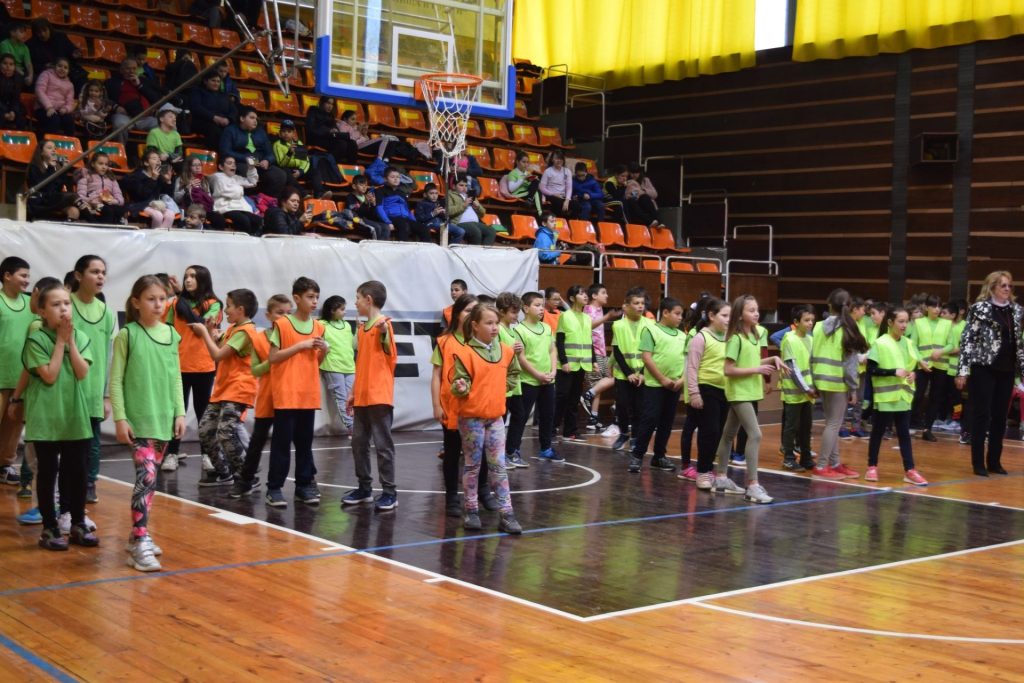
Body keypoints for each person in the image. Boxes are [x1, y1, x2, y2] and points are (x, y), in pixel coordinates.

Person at [111, 275, 187, 572]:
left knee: (150, 481)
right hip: (138, 421)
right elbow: (116, 380)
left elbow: (176, 377)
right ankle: (140, 541)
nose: (158, 304)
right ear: (136, 302)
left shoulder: (171, 334)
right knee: (146, 478)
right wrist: (120, 417)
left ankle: (137, 534)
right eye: (151, 299)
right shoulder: (127, 335)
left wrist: (180, 413)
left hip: (163, 419)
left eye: (162, 299)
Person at [22, 280, 96, 551]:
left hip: (74, 414)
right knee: (48, 471)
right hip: (46, 416)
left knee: (77, 471)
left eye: (66, 303)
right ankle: (50, 527)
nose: (63, 309)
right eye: (56, 304)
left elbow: (81, 372)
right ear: (42, 311)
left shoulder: (82, 337)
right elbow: (50, 375)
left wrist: (70, 341)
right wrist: (61, 342)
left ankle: (77, 523)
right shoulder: (36, 339)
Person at [450, 304, 523, 534]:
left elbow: (514, 373)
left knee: (499, 466)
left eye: (496, 323)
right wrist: (461, 387)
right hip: (471, 419)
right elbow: (458, 383)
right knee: (473, 466)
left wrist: (502, 388)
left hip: (495, 417)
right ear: (475, 325)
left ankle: (507, 514)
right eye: (489, 323)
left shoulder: (506, 351)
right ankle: (471, 510)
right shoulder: (465, 353)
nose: (494, 327)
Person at [711, 295, 786, 503]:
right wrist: (757, 370)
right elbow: (728, 369)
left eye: (757, 310)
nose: (756, 314)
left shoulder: (754, 335)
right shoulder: (735, 338)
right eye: (751, 310)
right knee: (755, 435)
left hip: (749, 391)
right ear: (740, 314)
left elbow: (752, 361)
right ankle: (752, 485)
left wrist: (772, 358)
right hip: (739, 393)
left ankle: (721, 478)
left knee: (728, 435)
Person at [431, 293, 497, 517]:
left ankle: (483, 491)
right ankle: (452, 497)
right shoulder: (444, 341)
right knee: (452, 452)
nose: (471, 315)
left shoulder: (482, 342)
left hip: (477, 407)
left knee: (481, 451)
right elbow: (436, 375)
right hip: (452, 407)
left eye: (474, 311)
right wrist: (436, 405)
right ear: (457, 313)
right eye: (467, 310)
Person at [265, 277, 327, 508]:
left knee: (304, 444)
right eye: (310, 297)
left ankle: (303, 486)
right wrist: (300, 346)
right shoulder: (282, 324)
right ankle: (274, 488)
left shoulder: (319, 327)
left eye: (317, 297)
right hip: (287, 393)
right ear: (297, 298)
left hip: (308, 394)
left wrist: (325, 350)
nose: (315, 301)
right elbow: (273, 357)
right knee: (282, 445)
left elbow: (317, 361)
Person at [188, 289, 260, 486]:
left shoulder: (245, 331)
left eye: (228, 306)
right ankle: (224, 471)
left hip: (238, 389)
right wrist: (212, 333)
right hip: (223, 389)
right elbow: (220, 348)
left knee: (226, 432)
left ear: (240, 309)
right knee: (205, 430)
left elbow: (217, 355)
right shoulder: (234, 329)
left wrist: (204, 333)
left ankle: (247, 476)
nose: (225, 310)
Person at [956, 270, 1024, 476]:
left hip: (1007, 369)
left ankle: (994, 461)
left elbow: (1019, 343)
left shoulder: (1016, 310)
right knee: (982, 415)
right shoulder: (980, 309)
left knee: (1000, 416)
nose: (1007, 289)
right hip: (983, 368)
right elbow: (967, 340)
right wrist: (962, 371)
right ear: (992, 286)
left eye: (1009, 285)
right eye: (1003, 285)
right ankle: (978, 463)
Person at [342, 280, 398, 511]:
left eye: (357, 298)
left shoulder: (384, 325)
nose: (355, 302)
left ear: (368, 299)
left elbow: (387, 343)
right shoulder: (363, 329)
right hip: (363, 397)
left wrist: (383, 330)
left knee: (383, 446)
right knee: (359, 443)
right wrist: (353, 392)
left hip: (379, 396)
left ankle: (390, 492)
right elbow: (361, 365)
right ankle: (364, 488)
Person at [161, 266, 223, 473]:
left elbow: (199, 326)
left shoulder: (214, 304)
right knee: (176, 411)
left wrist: (180, 296)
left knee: (203, 412)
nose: (188, 280)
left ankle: (207, 455)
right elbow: (166, 329)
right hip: (178, 365)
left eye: (193, 277)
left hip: (204, 366)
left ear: (203, 279)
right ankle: (172, 453)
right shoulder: (174, 304)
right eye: (186, 276)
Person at [230, 294, 291, 498]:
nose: (284, 317)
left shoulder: (294, 337)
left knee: (284, 443)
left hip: (289, 397)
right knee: (257, 440)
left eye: (288, 313)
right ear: (268, 315)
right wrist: (273, 360)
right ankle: (246, 480)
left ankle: (281, 486)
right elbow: (255, 370)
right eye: (279, 313)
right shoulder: (258, 338)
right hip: (267, 395)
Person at [70, 256, 116, 505]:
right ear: (78, 276)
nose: (100, 277)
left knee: (93, 442)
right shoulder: (66, 305)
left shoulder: (107, 312)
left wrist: (106, 394)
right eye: (94, 271)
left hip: (94, 390)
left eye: (103, 272)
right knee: (67, 443)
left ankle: (89, 483)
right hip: (67, 388)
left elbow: (108, 355)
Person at [865, 306, 929, 486]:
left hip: (903, 395)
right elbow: (871, 370)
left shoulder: (908, 343)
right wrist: (893, 372)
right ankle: (872, 466)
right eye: (901, 321)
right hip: (885, 397)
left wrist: (913, 373)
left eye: (906, 321)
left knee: (904, 434)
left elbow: (912, 366)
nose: (904, 325)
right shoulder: (880, 343)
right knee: (878, 432)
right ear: (890, 322)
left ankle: (910, 470)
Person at [810, 288, 868, 480]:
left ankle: (834, 463)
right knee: (833, 425)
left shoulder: (818, 326)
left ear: (829, 305)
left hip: (821, 379)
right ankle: (821, 466)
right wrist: (853, 388)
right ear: (849, 306)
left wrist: (813, 381)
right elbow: (850, 365)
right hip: (838, 382)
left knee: (831, 424)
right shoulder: (849, 328)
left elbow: (811, 356)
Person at [629, 297, 686, 474]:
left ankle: (659, 456)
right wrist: (662, 379)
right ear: (666, 313)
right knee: (649, 419)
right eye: (677, 314)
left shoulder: (682, 335)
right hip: (655, 385)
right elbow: (647, 358)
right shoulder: (651, 330)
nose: (680, 318)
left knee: (667, 422)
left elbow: (688, 360)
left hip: (674, 385)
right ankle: (638, 455)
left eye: (681, 315)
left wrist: (682, 379)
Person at [509, 291, 559, 463]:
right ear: (525, 308)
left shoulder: (547, 328)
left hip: (548, 380)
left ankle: (546, 448)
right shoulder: (519, 330)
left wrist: (553, 371)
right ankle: (512, 450)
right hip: (528, 381)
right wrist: (537, 375)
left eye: (542, 305)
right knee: (520, 417)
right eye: (537, 305)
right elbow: (521, 357)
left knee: (547, 415)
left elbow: (552, 350)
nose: (541, 309)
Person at [0, 257, 32, 485]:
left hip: (21, 378)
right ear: (7, 276)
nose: (27, 280)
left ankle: (4, 465)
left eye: (28, 276)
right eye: (23, 275)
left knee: (13, 427)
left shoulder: (31, 304)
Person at [609, 287, 651, 452]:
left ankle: (635, 437)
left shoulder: (650, 324)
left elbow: (652, 352)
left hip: (642, 374)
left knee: (639, 407)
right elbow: (617, 351)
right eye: (636, 303)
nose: (640, 306)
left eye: (642, 303)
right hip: (623, 373)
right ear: (627, 305)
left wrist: (642, 373)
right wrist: (628, 373)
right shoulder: (618, 325)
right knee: (622, 405)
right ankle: (623, 433)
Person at [220, 106, 288, 200]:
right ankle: (247, 200)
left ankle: (267, 201)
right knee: (245, 173)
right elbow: (225, 152)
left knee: (279, 175)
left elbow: (270, 153)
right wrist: (246, 158)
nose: (255, 121)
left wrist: (267, 160)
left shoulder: (260, 132)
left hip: (259, 163)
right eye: (252, 118)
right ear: (242, 118)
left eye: (256, 118)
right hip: (241, 163)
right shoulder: (230, 131)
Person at [909, 295, 953, 441]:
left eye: (939, 306)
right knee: (917, 395)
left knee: (935, 397)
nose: (937, 309)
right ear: (926, 307)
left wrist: (942, 351)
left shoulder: (947, 324)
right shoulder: (919, 322)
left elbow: (951, 344)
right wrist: (920, 360)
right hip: (923, 364)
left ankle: (927, 429)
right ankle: (909, 423)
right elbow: (913, 344)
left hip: (940, 365)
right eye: (934, 306)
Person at [552, 284, 592, 444]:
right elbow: (560, 340)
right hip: (567, 365)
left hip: (582, 365)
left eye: (586, 293)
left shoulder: (587, 318)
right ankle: (551, 429)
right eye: (581, 293)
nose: (585, 296)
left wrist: (593, 361)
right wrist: (564, 361)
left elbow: (588, 340)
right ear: (572, 298)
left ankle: (570, 431)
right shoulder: (565, 316)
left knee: (574, 399)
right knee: (561, 397)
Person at [779, 305, 817, 471]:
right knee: (791, 427)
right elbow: (792, 369)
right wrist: (806, 389)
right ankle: (788, 458)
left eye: (812, 320)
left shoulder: (811, 339)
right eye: (806, 320)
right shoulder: (789, 339)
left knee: (806, 427)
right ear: (796, 322)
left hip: (807, 393)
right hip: (794, 392)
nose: (810, 323)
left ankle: (806, 457)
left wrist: (814, 386)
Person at [581, 283, 620, 432]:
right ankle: (587, 396)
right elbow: (588, 326)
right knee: (610, 379)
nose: (607, 295)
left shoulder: (599, 309)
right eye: (603, 292)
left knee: (599, 385)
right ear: (594, 295)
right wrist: (607, 317)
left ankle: (593, 418)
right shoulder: (588, 309)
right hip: (593, 352)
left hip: (602, 352)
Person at [496, 292, 526, 468]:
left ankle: (511, 451)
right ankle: (499, 455)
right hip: (502, 382)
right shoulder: (498, 329)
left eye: (517, 312)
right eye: (513, 312)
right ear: (501, 311)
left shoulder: (512, 330)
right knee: (500, 419)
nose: (516, 316)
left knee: (520, 415)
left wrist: (518, 350)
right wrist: (511, 350)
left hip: (514, 382)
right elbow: (496, 353)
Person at [320, 295, 355, 436]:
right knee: (341, 399)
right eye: (342, 309)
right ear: (332, 310)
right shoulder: (321, 324)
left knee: (352, 399)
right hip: (332, 366)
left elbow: (353, 345)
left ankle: (356, 428)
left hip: (349, 366)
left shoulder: (347, 325)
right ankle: (352, 428)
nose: (345, 312)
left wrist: (359, 331)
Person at [26, 139, 81, 222]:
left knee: (74, 211)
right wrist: (51, 168)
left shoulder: (55, 167)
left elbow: (58, 188)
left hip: (53, 200)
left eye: (55, 148)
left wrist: (63, 170)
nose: (53, 150)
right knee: (72, 196)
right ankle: (93, 221)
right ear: (41, 152)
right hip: (40, 201)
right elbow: (44, 189)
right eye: (49, 148)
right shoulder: (34, 168)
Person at [107, 58, 161, 141]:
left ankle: (152, 149)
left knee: (159, 124)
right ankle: (121, 148)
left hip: (144, 117)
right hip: (124, 116)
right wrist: (115, 107)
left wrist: (139, 85)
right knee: (119, 125)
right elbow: (104, 98)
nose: (131, 71)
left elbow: (155, 98)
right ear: (121, 70)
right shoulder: (112, 82)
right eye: (128, 68)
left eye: (134, 68)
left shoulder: (144, 81)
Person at [121, 149, 176, 229]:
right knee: (158, 216)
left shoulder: (159, 176)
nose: (158, 161)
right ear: (146, 163)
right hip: (140, 204)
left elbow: (167, 196)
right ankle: (155, 235)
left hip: (157, 204)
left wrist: (168, 181)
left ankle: (161, 235)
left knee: (170, 214)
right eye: (154, 159)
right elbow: (142, 195)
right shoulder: (136, 176)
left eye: (159, 159)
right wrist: (153, 179)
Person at [208, 156, 262, 235]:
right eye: (229, 163)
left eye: (234, 163)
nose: (233, 165)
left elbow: (252, 182)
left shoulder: (236, 178)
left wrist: (251, 168)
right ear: (221, 167)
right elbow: (227, 191)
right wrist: (240, 190)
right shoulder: (216, 176)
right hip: (225, 207)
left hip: (240, 208)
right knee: (244, 221)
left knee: (257, 220)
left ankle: (251, 238)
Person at [27, 18, 82, 92]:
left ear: (49, 29)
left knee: (80, 78)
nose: (42, 34)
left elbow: (71, 51)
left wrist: (74, 54)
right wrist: (44, 66)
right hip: (45, 72)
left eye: (45, 30)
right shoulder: (31, 44)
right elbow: (31, 64)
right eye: (39, 32)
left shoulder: (60, 37)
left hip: (64, 70)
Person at [377, 166, 431, 242]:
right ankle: (402, 248)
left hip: (405, 218)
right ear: (385, 179)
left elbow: (408, 210)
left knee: (424, 228)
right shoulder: (380, 191)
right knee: (404, 226)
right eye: (392, 177)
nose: (396, 179)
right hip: (392, 217)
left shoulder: (402, 193)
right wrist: (388, 222)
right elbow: (379, 208)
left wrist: (414, 222)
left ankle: (425, 248)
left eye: (398, 177)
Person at [76, 152, 127, 225]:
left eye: (106, 164)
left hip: (109, 203)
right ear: (93, 164)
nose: (104, 167)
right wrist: (91, 202)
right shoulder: (86, 176)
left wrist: (114, 201)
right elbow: (80, 196)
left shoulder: (111, 178)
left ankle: (116, 227)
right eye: (100, 164)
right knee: (108, 211)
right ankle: (105, 228)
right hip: (93, 204)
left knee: (120, 210)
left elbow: (119, 196)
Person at [190, 72, 236, 150]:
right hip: (204, 121)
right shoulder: (197, 91)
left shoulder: (224, 95)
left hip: (224, 122)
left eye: (218, 81)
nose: (216, 84)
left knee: (234, 130)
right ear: (205, 81)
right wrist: (214, 117)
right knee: (215, 131)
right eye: (213, 81)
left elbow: (233, 110)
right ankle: (218, 154)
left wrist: (228, 119)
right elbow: (196, 107)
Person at [305, 96, 357, 163]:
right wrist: (328, 130)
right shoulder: (313, 111)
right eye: (328, 103)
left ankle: (351, 166)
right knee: (342, 143)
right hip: (317, 138)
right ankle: (328, 163)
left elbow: (334, 127)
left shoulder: (330, 115)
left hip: (329, 137)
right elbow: (311, 128)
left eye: (332, 104)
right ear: (321, 102)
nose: (330, 106)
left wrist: (335, 130)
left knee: (352, 143)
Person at [33, 57, 75, 135]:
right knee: (54, 119)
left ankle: (68, 142)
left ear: (68, 71)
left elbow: (70, 102)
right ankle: (45, 141)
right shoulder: (46, 74)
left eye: (65, 67)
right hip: (43, 108)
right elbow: (39, 91)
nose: (62, 69)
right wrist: (49, 107)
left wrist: (65, 109)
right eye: (59, 66)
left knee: (69, 120)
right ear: (54, 66)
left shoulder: (70, 84)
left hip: (60, 110)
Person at [342, 174, 386, 240]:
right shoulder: (350, 197)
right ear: (354, 186)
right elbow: (356, 214)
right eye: (361, 185)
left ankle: (382, 245)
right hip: (357, 221)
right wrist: (365, 202)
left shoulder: (366, 197)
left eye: (365, 185)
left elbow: (371, 216)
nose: (364, 187)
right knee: (377, 227)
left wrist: (373, 204)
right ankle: (374, 245)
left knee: (385, 227)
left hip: (366, 220)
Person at [0, 22, 32, 87]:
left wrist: (30, 76)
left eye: (25, 32)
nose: (24, 34)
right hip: (8, 69)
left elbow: (28, 63)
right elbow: (8, 61)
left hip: (21, 71)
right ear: (12, 33)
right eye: (21, 32)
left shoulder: (25, 47)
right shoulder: (4, 44)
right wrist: (22, 74)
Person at [0, 52, 26, 130]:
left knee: (20, 112)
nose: (8, 66)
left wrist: (13, 111)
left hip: (10, 105)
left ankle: (20, 136)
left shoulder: (18, 78)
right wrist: (4, 114)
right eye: (5, 63)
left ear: (14, 67)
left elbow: (16, 98)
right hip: (1, 106)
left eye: (11, 64)